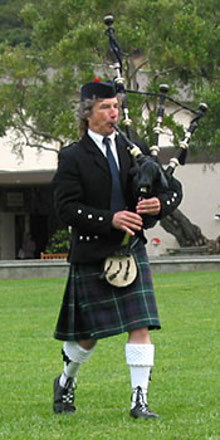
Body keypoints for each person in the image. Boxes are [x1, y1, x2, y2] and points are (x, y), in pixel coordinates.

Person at [52, 80, 182, 419]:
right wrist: (110, 219)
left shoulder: (132, 149)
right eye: (106, 108)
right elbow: (66, 208)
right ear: (88, 114)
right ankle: (65, 380)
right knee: (88, 337)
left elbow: (173, 189)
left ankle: (139, 401)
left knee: (140, 325)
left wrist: (159, 204)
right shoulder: (72, 156)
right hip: (93, 253)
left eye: (117, 107)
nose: (114, 113)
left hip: (131, 253)